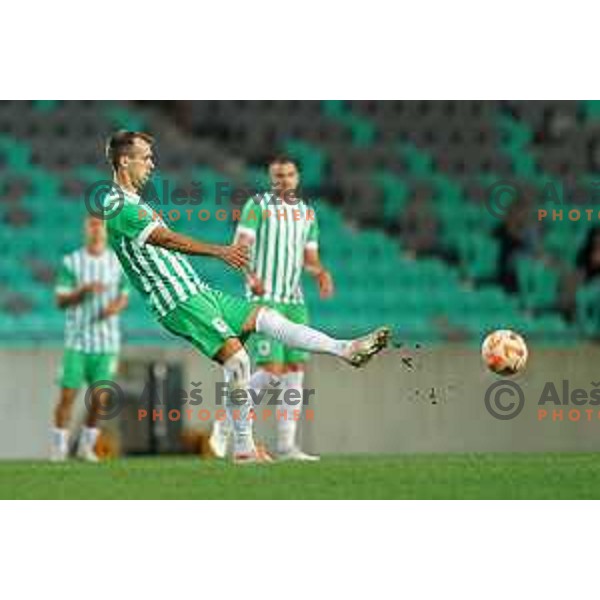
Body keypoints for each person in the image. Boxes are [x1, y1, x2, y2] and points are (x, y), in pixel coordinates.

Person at [102, 130, 390, 463]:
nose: (152, 164)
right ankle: (242, 448)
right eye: (146, 157)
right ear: (125, 160)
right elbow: (166, 240)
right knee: (239, 361)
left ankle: (346, 348)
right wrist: (218, 251)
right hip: (177, 300)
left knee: (267, 317)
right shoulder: (115, 204)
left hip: (197, 290)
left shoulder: (137, 202)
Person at [210, 156, 334, 461]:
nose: (284, 181)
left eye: (289, 175)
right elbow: (240, 246)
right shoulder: (258, 206)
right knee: (270, 370)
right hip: (264, 299)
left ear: (298, 177)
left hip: (294, 300)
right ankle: (226, 421)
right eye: (278, 176)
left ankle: (286, 446)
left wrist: (319, 272)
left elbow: (309, 257)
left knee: (295, 370)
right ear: (270, 178)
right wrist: (250, 277)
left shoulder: (307, 214)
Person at [50, 216, 129, 462]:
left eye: (100, 226)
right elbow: (60, 300)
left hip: (106, 344)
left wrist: (114, 308)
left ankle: (86, 446)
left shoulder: (117, 262)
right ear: (85, 229)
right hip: (77, 342)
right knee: (67, 396)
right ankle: (59, 448)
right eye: (91, 225)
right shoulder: (72, 262)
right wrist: (81, 291)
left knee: (101, 399)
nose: (96, 230)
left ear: (106, 230)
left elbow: (124, 295)